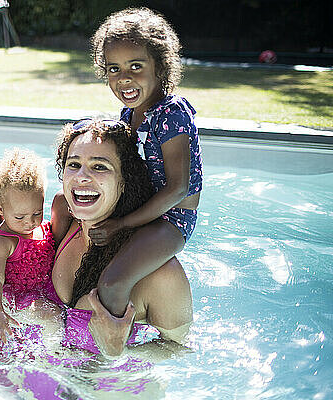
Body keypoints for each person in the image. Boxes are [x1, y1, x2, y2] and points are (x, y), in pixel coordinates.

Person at [74, 7, 202, 318]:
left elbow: (177, 189)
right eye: (113, 69)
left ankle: (106, 355)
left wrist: (121, 224)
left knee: (114, 284)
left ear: (160, 66)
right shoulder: (128, 115)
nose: (124, 78)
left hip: (171, 220)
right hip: (142, 209)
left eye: (135, 66)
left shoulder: (171, 113)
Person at [48, 119, 193, 356]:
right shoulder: (65, 219)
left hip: (116, 388)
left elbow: (180, 349)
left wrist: (118, 351)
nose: (81, 177)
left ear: (124, 181)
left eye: (100, 167)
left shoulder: (161, 274)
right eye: (73, 164)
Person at [0, 148, 55, 344]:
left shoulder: (45, 228)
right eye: (19, 217)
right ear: (0, 208)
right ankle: (53, 354)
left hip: (40, 291)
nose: (30, 222)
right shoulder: (3, 241)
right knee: (51, 317)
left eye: (37, 212)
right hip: (14, 299)